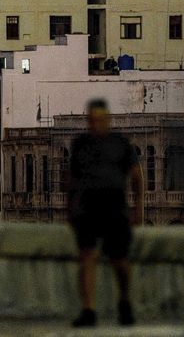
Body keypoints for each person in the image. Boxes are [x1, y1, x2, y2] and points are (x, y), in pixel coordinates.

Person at [66, 98, 144, 328]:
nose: (95, 124)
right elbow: (71, 179)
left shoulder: (120, 144)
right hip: (88, 207)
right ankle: (89, 309)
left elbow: (137, 177)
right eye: (92, 120)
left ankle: (125, 301)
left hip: (114, 206)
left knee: (119, 259)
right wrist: (70, 209)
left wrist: (138, 207)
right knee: (87, 257)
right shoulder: (80, 144)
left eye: (99, 120)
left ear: (107, 120)